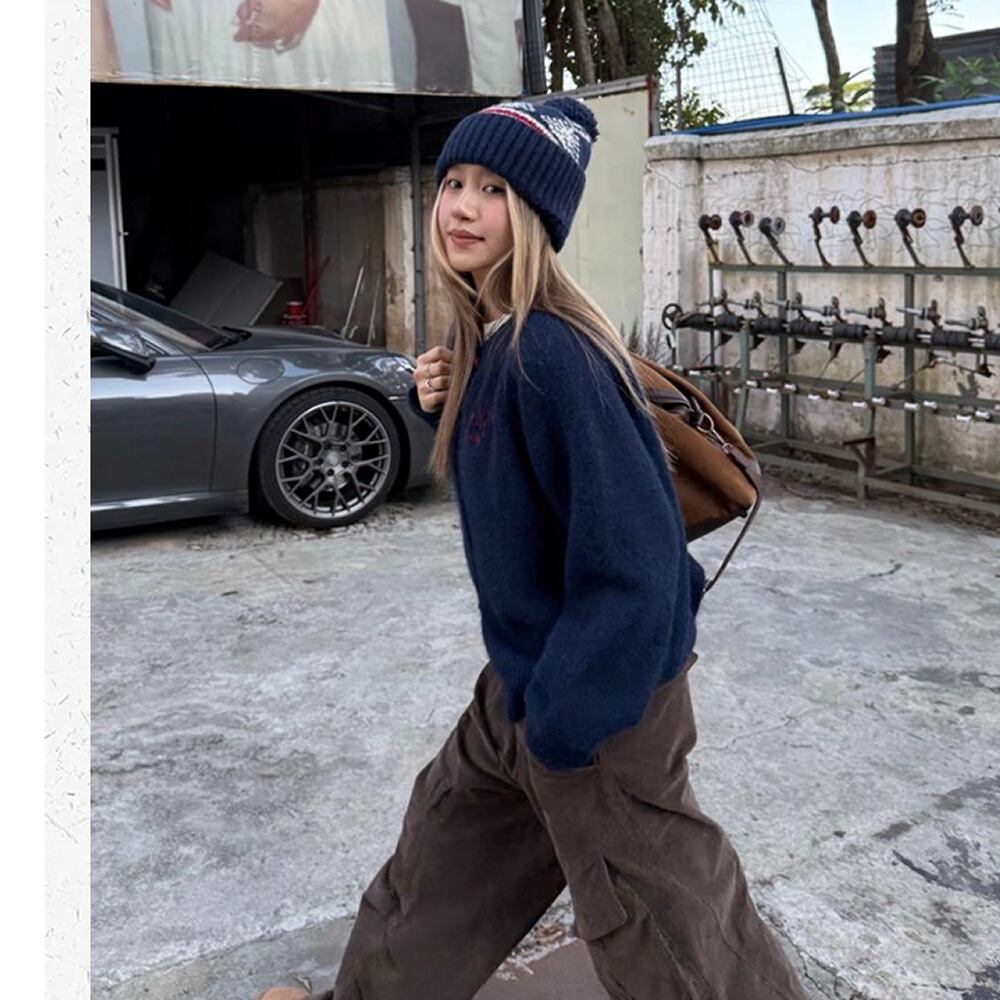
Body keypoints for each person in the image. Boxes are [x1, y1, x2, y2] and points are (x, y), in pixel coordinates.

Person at [258, 97, 807, 1000]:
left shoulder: (556, 354)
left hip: (603, 701)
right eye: (456, 183)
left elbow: (638, 565)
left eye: (495, 191)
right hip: (524, 679)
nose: (463, 207)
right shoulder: (490, 342)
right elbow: (512, 484)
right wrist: (440, 403)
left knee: (672, 935)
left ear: (536, 216)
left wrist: (564, 723)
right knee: (438, 872)